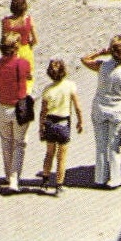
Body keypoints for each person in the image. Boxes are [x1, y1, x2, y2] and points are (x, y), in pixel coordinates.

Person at [81, 37, 121, 189]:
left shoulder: (102, 66)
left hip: (99, 107)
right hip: (117, 110)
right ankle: (115, 179)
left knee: (100, 145)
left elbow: (84, 59)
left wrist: (101, 52)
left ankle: (100, 177)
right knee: (113, 147)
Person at [0, 36, 33, 192]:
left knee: (6, 142)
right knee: (19, 143)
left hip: (2, 106)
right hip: (19, 107)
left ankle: (9, 175)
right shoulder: (23, 63)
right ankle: (14, 180)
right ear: (16, 48)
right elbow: (29, 76)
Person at [38, 59, 84, 195]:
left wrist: (41, 127)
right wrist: (80, 121)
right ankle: (58, 185)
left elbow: (43, 111)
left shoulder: (47, 89)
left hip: (50, 122)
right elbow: (77, 107)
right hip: (64, 122)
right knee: (62, 157)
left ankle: (45, 181)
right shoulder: (70, 86)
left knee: (49, 153)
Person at [3, 0, 37, 67]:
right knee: (27, 77)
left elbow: (3, 41)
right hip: (25, 51)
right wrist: (29, 45)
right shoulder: (29, 20)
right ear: (24, 6)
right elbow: (35, 40)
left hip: (10, 53)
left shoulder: (5, 21)